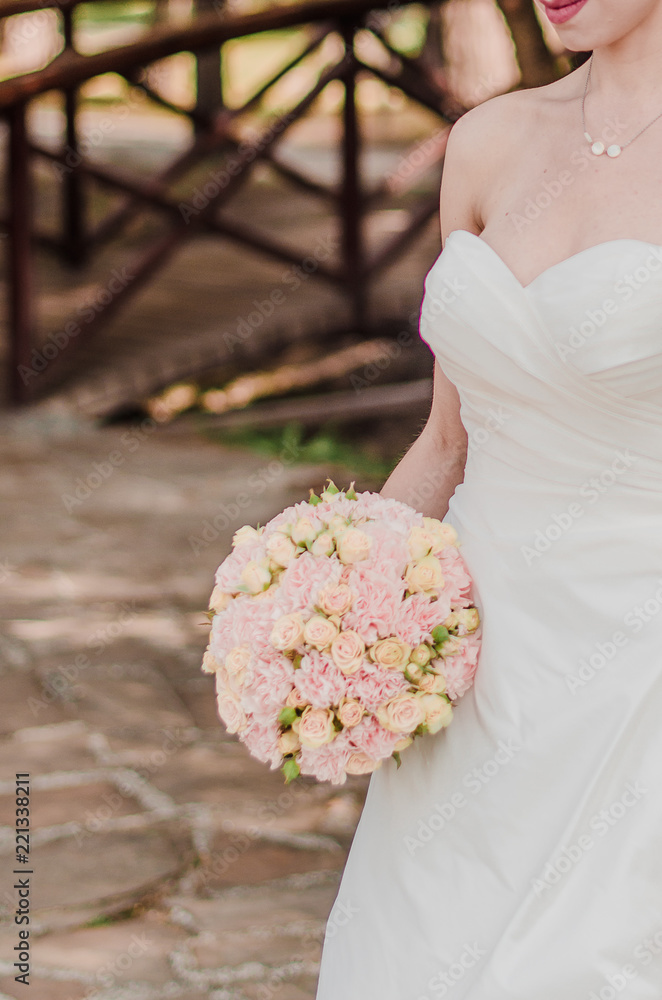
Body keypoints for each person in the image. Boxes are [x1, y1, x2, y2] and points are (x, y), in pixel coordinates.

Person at [315, 1, 662, 996]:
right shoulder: (487, 142)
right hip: (474, 656)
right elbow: (443, 441)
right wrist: (337, 611)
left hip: (631, 666)